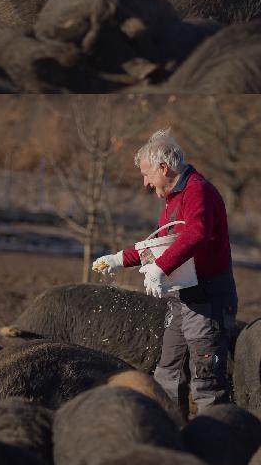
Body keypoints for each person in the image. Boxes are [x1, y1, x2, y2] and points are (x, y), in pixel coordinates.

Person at [91, 128, 238, 412]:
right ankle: (173, 431)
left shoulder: (198, 191)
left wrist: (161, 267)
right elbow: (162, 245)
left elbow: (196, 234)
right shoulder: (172, 200)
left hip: (207, 300)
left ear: (163, 167)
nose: (145, 183)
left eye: (146, 174)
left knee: (205, 381)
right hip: (181, 301)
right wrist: (120, 259)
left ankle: (215, 438)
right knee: (168, 374)